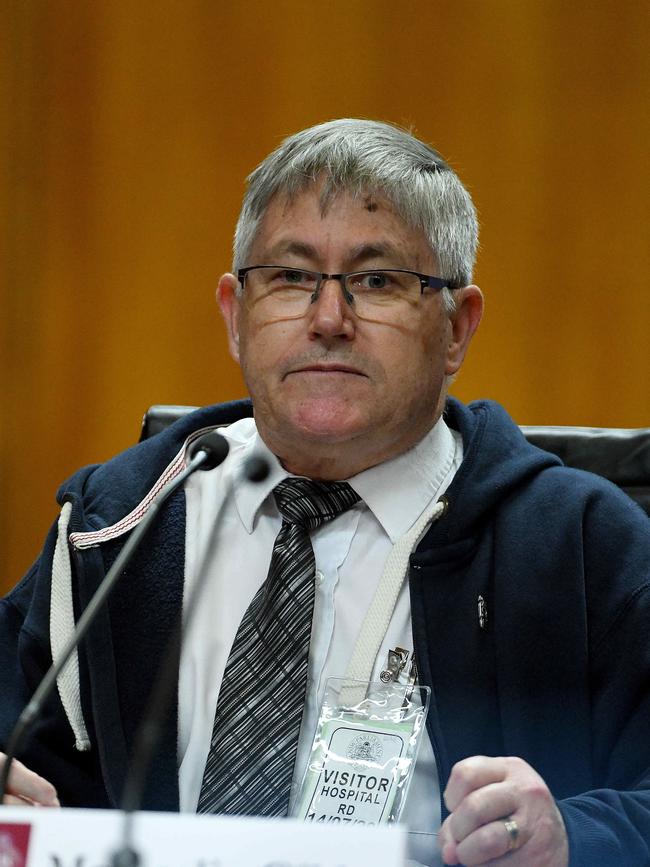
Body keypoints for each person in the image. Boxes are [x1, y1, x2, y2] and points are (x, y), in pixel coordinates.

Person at [1, 118, 649, 867]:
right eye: (290, 277)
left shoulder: (577, 546)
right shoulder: (119, 522)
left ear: (456, 329)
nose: (328, 319)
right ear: (235, 315)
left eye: (377, 281)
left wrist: (575, 836)